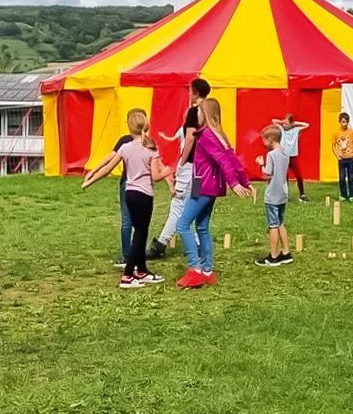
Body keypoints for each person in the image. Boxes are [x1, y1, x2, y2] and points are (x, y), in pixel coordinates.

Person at [82, 110, 172, 289]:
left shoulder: (125, 147)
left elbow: (108, 168)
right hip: (144, 195)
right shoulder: (151, 147)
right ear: (146, 125)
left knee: (141, 231)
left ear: (129, 127)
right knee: (140, 233)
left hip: (129, 193)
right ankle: (128, 275)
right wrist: (167, 172)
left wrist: (90, 181)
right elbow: (155, 176)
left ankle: (142, 271)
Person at [176, 98, 255, 288]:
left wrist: (235, 183)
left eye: (200, 111)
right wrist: (245, 181)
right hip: (201, 184)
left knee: (182, 224)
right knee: (201, 227)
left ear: (207, 114)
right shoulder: (216, 134)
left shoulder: (207, 135)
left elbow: (223, 160)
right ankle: (207, 270)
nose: (198, 114)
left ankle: (195, 269)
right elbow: (232, 158)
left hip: (203, 186)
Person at [147, 78, 211, 260]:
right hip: (202, 169)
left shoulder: (194, 112)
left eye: (190, 91)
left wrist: (181, 163)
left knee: (178, 204)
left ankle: (160, 243)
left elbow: (190, 138)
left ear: (196, 93)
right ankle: (198, 244)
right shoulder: (211, 110)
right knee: (194, 203)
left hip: (190, 167)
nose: (188, 94)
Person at [84, 129, 134, 267]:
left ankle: (128, 257)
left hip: (128, 184)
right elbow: (157, 168)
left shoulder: (125, 143)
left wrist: (92, 176)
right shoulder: (149, 144)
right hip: (144, 187)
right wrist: (169, 179)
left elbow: (108, 165)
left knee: (127, 221)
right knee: (140, 224)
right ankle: (136, 258)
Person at [254, 125, 293, 267]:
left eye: (264, 140)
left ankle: (274, 256)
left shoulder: (271, 155)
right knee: (281, 223)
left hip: (272, 195)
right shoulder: (285, 153)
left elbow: (267, 174)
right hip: (283, 193)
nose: (263, 143)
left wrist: (261, 164)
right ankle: (286, 252)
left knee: (273, 225)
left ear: (270, 140)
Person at [272, 113, 310, 203]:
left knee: (299, 176)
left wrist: (294, 123)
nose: (284, 125)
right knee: (284, 177)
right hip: (284, 157)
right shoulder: (281, 130)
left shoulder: (296, 130)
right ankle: (285, 195)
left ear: (291, 124)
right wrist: (282, 122)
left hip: (293, 157)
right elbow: (273, 121)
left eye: (286, 123)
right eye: (283, 123)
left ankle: (302, 194)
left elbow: (307, 125)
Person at [332, 112, 353, 201]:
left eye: (346, 122)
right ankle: (343, 195)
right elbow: (333, 146)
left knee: (351, 177)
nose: (345, 124)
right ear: (339, 122)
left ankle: (351, 195)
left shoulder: (352, 132)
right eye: (343, 122)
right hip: (342, 159)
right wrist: (338, 156)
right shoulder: (336, 132)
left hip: (350, 158)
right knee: (342, 177)